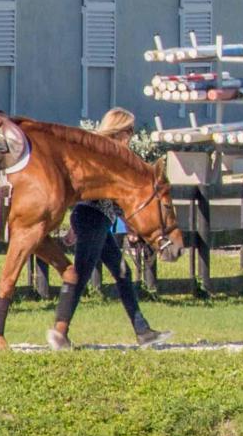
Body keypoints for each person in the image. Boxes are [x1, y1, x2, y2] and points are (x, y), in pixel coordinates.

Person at [50, 107, 167, 350]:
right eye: (129, 130)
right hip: (93, 218)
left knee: (122, 272)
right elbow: (106, 193)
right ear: (119, 130)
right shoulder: (107, 154)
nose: (132, 135)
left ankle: (143, 330)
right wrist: (131, 223)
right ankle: (60, 331)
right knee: (81, 274)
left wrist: (76, 224)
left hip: (96, 219)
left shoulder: (105, 152)